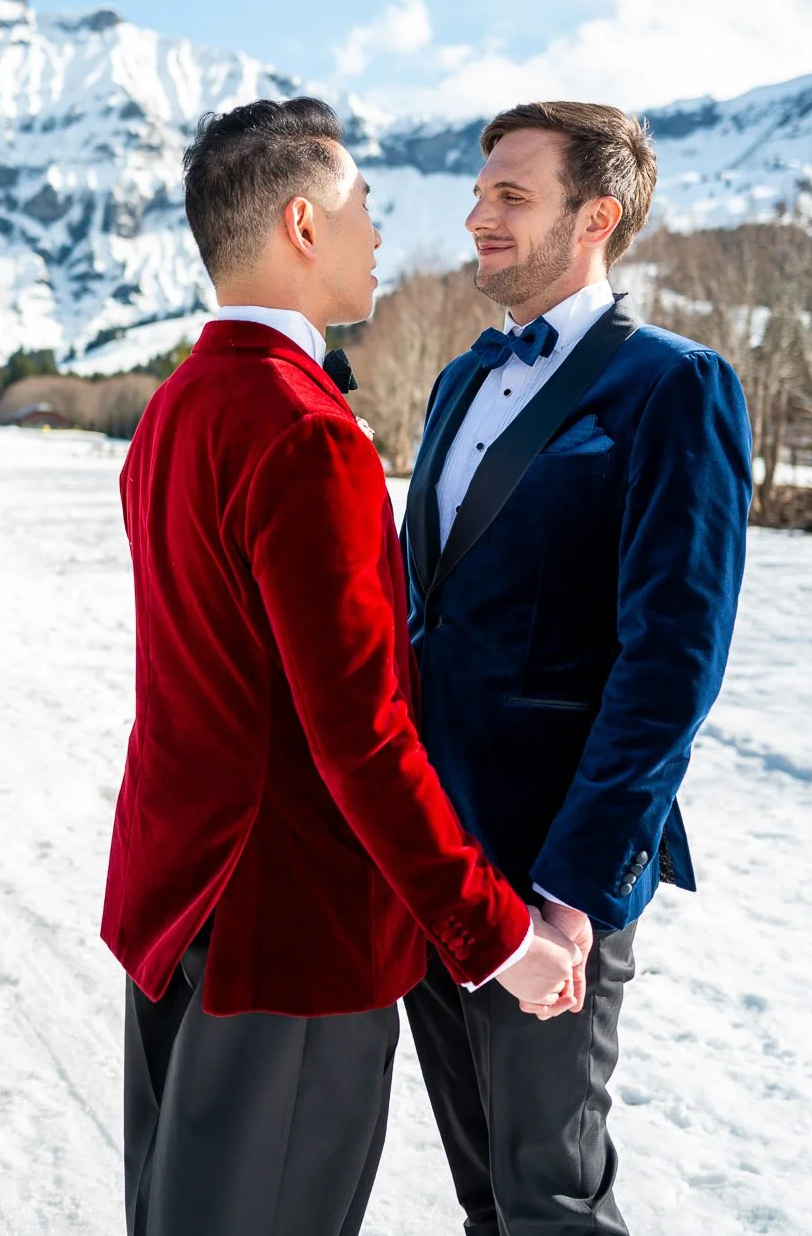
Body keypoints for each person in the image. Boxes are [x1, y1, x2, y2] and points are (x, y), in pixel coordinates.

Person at [101, 96, 581, 1236]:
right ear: (304, 225)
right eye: (364, 208)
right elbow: (357, 735)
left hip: (179, 916)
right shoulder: (303, 432)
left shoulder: (174, 409)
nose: (379, 234)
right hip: (288, 944)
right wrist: (498, 936)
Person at [400, 102, 753, 1234]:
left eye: (510, 194)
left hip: (550, 868)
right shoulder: (459, 381)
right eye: (477, 190)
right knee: (481, 1191)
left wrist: (571, 899)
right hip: (434, 861)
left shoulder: (672, 387)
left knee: (551, 1195)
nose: (476, 215)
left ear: (593, 217)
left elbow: (671, 662)